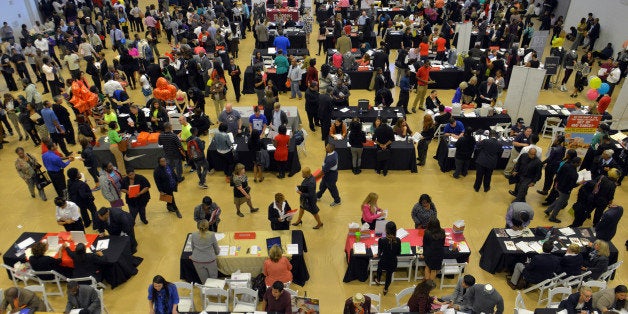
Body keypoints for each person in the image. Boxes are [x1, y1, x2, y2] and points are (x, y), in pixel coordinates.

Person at [545, 157, 581, 223]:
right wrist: (580, 183)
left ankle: (548, 210)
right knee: (560, 203)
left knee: (559, 200)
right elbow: (572, 185)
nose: (580, 164)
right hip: (565, 190)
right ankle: (552, 217)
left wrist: (556, 183)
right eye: (579, 163)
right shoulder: (574, 174)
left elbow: (558, 175)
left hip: (559, 186)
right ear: (576, 163)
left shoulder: (565, 165)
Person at [190, 219, 220, 284]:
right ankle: (214, 292)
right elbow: (216, 250)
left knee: (203, 279)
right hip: (209, 260)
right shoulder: (211, 235)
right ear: (208, 226)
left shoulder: (194, 234)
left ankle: (206, 291)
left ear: (198, 226)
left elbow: (192, 247)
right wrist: (217, 252)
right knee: (213, 277)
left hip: (197, 260)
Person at [375, 221, 401, 295]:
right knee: (389, 276)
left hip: (384, 261)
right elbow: (398, 253)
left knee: (379, 268)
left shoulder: (382, 240)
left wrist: (377, 254)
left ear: (386, 230)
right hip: (393, 262)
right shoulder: (398, 240)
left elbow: (379, 253)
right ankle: (385, 289)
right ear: (395, 230)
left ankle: (378, 280)